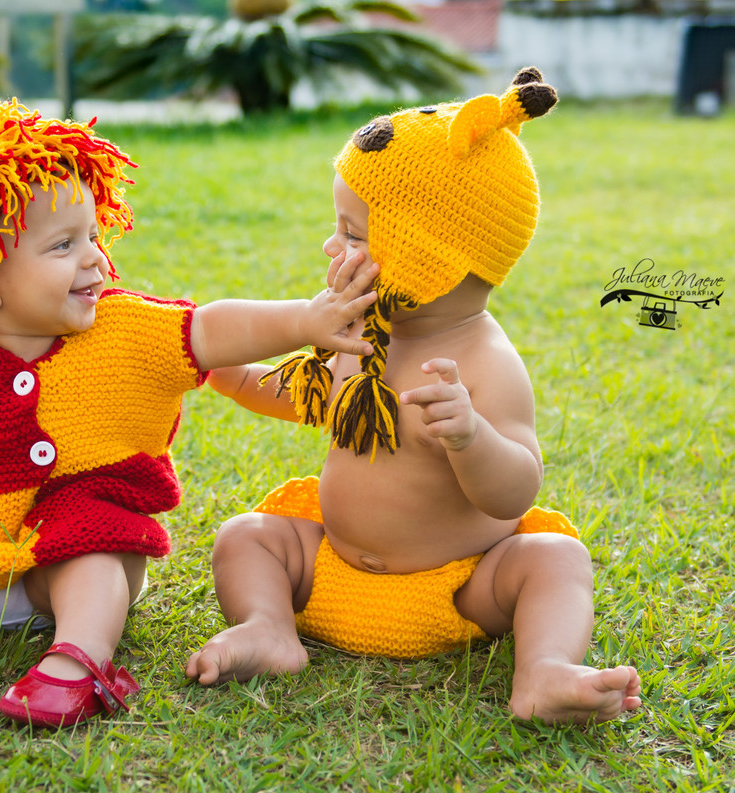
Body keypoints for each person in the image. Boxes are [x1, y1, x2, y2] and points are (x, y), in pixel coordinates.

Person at [0, 97, 380, 727]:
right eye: (63, 245)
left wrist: (306, 320)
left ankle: (80, 659)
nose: (94, 257)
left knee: (89, 559)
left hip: (73, 553)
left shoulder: (124, 328)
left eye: (92, 235)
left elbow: (214, 327)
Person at [184, 68, 642, 725]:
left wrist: (471, 437)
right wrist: (220, 366)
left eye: (353, 233)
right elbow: (293, 392)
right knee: (246, 536)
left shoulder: (487, 364)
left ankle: (543, 671)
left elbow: (514, 492)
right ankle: (268, 629)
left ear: (427, 256)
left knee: (553, 557)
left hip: (459, 588)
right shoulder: (354, 334)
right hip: (331, 572)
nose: (330, 246)